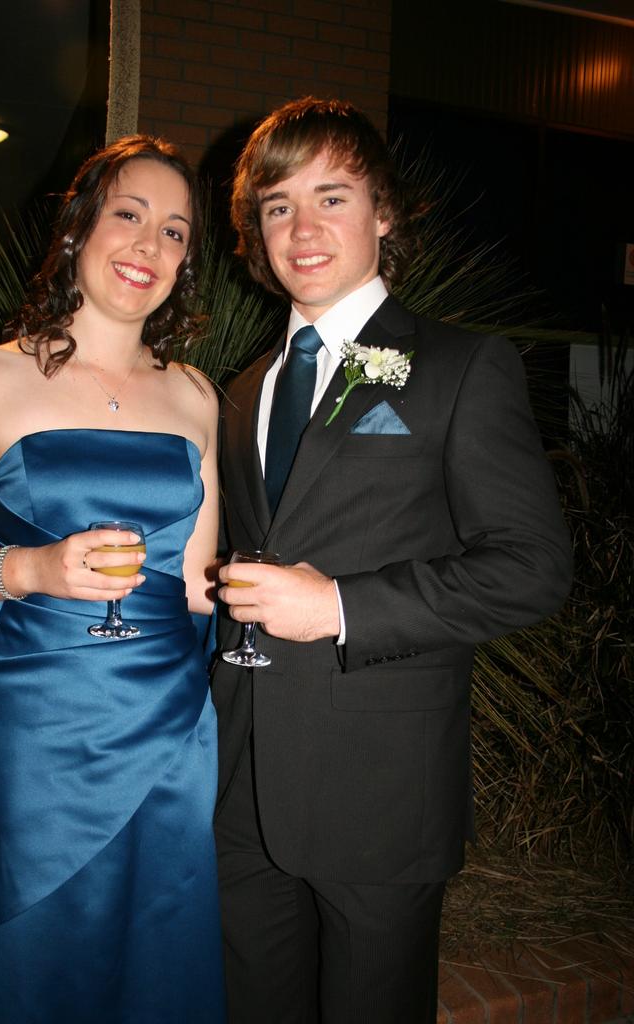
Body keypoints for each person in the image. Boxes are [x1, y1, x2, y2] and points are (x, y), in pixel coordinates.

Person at [212, 97, 573, 1023]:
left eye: (333, 197)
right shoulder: (246, 386)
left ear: (385, 213)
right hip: (242, 780)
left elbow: (532, 567)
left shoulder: (457, 366)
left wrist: (340, 606)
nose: (303, 227)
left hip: (378, 790)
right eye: (278, 204)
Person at [0, 135, 226, 1023]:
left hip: (169, 726)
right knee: (26, 963)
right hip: (26, 734)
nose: (149, 246)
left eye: (175, 232)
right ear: (80, 228)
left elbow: (190, 587)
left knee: (152, 955)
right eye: (129, 216)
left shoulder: (194, 395)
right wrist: (31, 567)